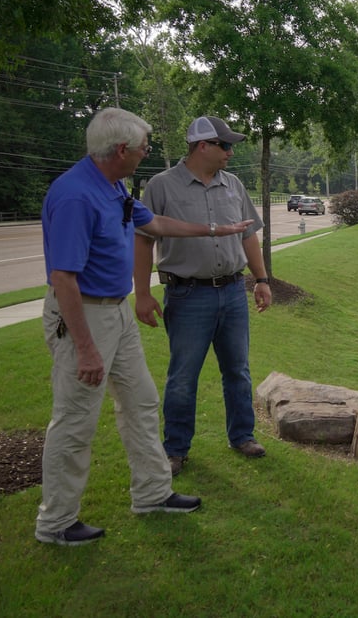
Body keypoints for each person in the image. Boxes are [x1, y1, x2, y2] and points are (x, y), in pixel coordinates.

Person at [37, 107, 253, 546]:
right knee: (76, 419)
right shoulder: (76, 195)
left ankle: (153, 494)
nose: (146, 153)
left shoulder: (113, 187)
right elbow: (63, 279)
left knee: (141, 402)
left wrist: (218, 228)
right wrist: (86, 348)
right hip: (85, 316)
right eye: (142, 148)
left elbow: (154, 224)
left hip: (116, 311)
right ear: (121, 150)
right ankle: (56, 522)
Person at [133, 115, 272, 477]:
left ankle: (242, 435)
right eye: (224, 145)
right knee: (182, 377)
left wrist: (261, 279)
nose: (229, 151)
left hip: (232, 291)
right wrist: (143, 294)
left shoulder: (234, 185)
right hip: (187, 296)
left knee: (238, 371)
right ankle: (175, 449)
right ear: (202, 146)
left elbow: (248, 236)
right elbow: (144, 240)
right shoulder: (162, 186)